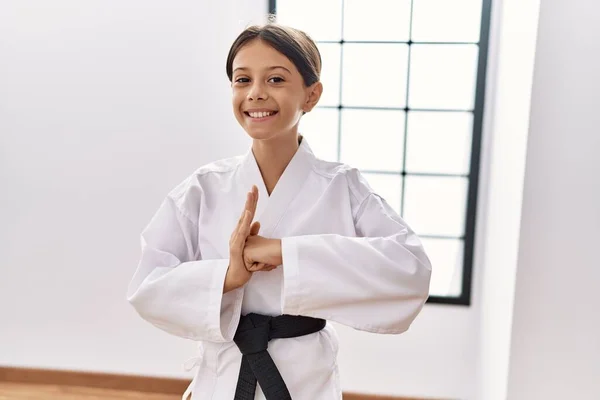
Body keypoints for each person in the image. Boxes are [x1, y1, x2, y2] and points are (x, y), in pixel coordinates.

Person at [127, 22, 432, 400]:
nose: (255, 94)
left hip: (305, 378)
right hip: (222, 376)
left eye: (275, 79)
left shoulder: (342, 186)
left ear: (311, 95)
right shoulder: (204, 187)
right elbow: (148, 284)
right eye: (242, 80)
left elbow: (410, 269)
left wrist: (285, 252)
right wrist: (227, 275)